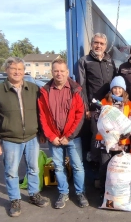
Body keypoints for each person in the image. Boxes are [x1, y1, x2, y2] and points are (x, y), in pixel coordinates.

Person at [0, 57, 49, 217]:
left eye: (20, 69)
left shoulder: (34, 89)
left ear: (24, 71)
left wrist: (42, 133)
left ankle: (34, 194)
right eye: (13, 69)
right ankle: (15, 199)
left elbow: (41, 113)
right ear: (7, 70)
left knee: (34, 168)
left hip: (32, 137)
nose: (17, 72)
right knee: (11, 172)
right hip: (10, 139)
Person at [38, 58, 88, 209]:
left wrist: (69, 136)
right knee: (58, 167)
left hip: (72, 138)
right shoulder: (45, 91)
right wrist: (51, 136)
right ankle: (63, 192)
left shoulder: (76, 90)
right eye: (56, 71)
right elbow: (42, 116)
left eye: (62, 71)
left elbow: (80, 115)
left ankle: (80, 192)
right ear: (52, 72)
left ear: (67, 72)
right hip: (54, 138)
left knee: (77, 166)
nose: (59, 74)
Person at [94, 76, 131, 202]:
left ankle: (118, 195)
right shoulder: (104, 102)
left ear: (124, 90)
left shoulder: (129, 104)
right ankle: (103, 194)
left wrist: (126, 133)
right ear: (111, 89)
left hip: (122, 143)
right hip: (105, 142)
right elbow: (96, 117)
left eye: (119, 88)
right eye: (115, 88)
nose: (117, 90)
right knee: (105, 167)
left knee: (119, 170)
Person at [77, 33, 117, 165]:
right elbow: (81, 86)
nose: (98, 46)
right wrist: (87, 109)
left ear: (105, 46)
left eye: (101, 43)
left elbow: (115, 85)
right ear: (92, 43)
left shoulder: (110, 61)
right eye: (96, 43)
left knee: (110, 137)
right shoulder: (85, 61)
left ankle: (107, 168)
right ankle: (94, 168)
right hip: (95, 109)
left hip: (110, 109)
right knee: (96, 137)